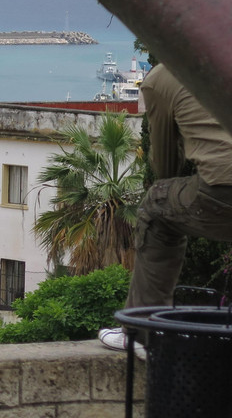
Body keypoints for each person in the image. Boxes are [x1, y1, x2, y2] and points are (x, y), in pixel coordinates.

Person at [99, 62, 232, 352]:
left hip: (224, 187)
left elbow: (165, 163)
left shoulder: (163, 75)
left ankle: (142, 333)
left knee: (157, 206)